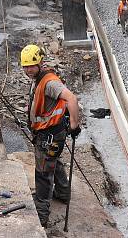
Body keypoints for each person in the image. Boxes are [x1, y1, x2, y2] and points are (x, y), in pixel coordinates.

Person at [21, 43, 80, 227]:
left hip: (50, 135)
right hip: (50, 134)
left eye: (32, 66)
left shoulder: (49, 83)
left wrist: (74, 125)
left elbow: (71, 98)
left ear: (40, 63)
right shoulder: (39, 80)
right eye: (26, 66)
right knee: (54, 162)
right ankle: (63, 193)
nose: (29, 70)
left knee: (43, 172)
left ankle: (42, 213)